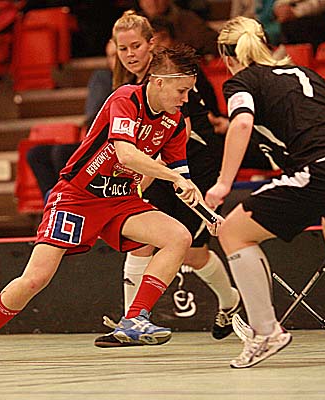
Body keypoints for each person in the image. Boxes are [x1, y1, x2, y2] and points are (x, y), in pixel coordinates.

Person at [0, 43, 205, 363]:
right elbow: (126, 154)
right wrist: (175, 178)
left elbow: (180, 173)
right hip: (77, 198)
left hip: (121, 199)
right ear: (159, 82)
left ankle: (135, 319)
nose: (186, 99)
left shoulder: (173, 122)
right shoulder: (125, 99)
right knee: (36, 278)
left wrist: (198, 200)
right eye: (182, 91)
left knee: (178, 237)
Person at [205, 16, 325, 368]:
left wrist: (223, 184)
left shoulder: (241, 81)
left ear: (226, 57)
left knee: (233, 233)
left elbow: (241, 122)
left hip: (323, 167)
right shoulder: (302, 72)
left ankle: (265, 332)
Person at [93, 11, 241, 348]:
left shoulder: (170, 76)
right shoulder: (126, 86)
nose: (129, 54)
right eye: (122, 48)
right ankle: (130, 322)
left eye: (136, 46)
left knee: (192, 253)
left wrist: (141, 180)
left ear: (152, 44)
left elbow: (179, 134)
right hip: (156, 170)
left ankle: (230, 300)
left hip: (193, 169)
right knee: (141, 242)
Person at [27, 39, 117, 200]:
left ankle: (70, 202)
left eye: (118, 54)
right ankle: (53, 203)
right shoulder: (106, 79)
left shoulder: (130, 83)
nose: (114, 61)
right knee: (36, 154)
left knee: (62, 153)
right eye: (110, 56)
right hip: (97, 136)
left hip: (114, 143)